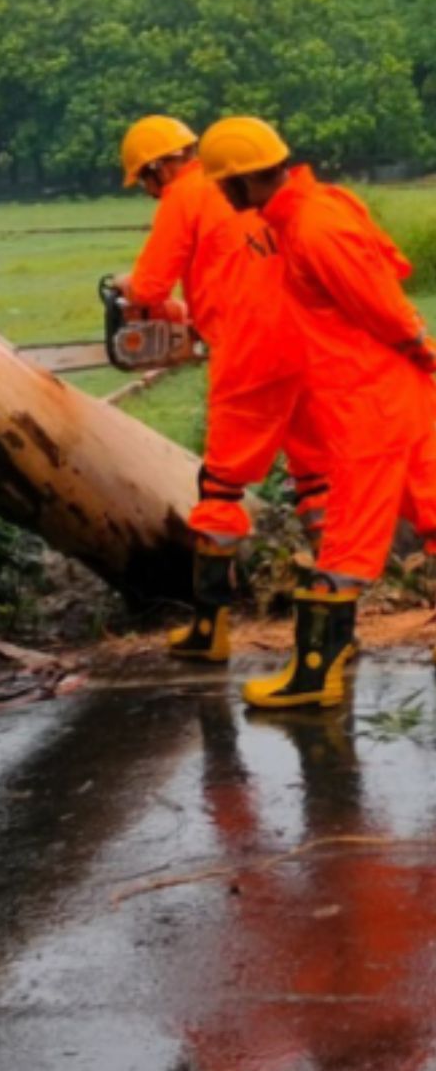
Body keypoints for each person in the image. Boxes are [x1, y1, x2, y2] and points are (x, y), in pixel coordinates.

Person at [198, 116, 436, 708]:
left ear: (247, 181)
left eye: (226, 185)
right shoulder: (305, 213)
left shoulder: (312, 226)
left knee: (347, 544)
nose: (223, 198)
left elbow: (382, 305)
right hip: (385, 394)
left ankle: (314, 675)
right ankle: (318, 667)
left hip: (369, 403)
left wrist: (423, 351)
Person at [117, 116, 327, 665]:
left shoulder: (184, 196)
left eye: (145, 178)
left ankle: (212, 626)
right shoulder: (251, 184)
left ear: (162, 166)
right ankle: (334, 624)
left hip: (249, 352)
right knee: (316, 481)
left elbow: (150, 285)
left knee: (220, 489)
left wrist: (132, 292)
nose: (149, 189)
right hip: (304, 342)